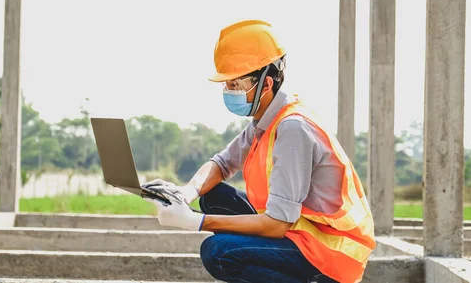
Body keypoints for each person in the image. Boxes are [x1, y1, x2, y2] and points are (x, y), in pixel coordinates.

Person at [143, 20, 375, 283]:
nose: (228, 92)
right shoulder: (266, 120)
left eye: (236, 85)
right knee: (211, 194)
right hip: (298, 229)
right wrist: (186, 192)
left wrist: (196, 221)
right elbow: (222, 163)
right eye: (226, 85)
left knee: (217, 252)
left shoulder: (292, 129)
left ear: (266, 85)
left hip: (329, 251)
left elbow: (276, 224)